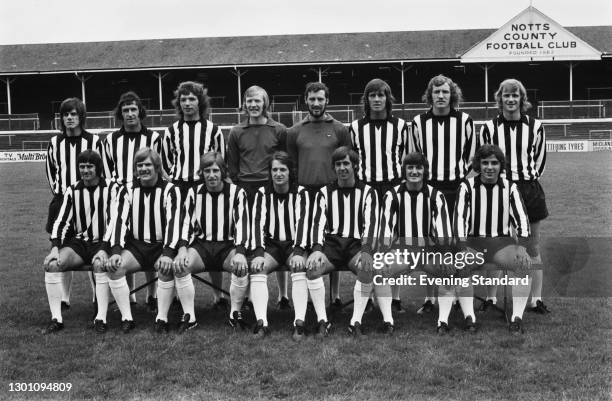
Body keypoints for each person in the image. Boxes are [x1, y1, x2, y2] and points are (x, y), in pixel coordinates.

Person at [291, 146, 388, 337]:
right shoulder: (324, 192)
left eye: (346, 163)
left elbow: (372, 224)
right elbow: (317, 223)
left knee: (368, 268)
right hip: (332, 245)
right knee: (312, 268)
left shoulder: (369, 192)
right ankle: (323, 320)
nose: (342, 168)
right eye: (338, 164)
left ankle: (355, 321)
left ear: (355, 166)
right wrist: (317, 249)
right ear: (333, 167)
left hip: (356, 245)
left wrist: (367, 251)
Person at [479, 79, 549, 315]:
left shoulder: (536, 126)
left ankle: (535, 299)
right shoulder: (489, 128)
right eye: (506, 95)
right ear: (500, 99)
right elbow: (486, 159)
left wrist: (524, 179)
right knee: (497, 243)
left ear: (522, 98)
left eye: (515, 95)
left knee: (531, 246)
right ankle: (490, 297)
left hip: (529, 189)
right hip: (499, 189)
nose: (511, 99)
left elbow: (539, 162)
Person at [378, 152, 467, 334]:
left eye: (418, 167)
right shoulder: (392, 195)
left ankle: (442, 321)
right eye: (410, 167)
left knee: (448, 271)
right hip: (402, 253)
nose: (414, 171)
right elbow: (385, 228)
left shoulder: (436, 195)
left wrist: (444, 256)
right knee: (380, 272)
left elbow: (443, 231)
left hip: (428, 252)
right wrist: (384, 255)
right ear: (404, 170)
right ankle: (388, 321)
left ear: (425, 170)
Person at [409, 75, 476, 315]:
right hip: (429, 189)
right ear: (430, 95)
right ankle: (430, 299)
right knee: (432, 244)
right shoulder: (418, 122)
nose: (440, 96)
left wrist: (458, 177)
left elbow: (470, 156)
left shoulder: (466, 121)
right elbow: (414, 157)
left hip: (455, 188)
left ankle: (457, 296)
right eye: (436, 92)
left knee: (456, 242)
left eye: (445, 92)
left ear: (452, 94)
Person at [161, 81, 228, 308]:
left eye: (192, 98)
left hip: (205, 188)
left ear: (200, 101)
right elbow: (167, 162)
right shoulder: (171, 131)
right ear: (179, 103)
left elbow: (220, 159)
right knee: (178, 234)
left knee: (210, 236)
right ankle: (177, 296)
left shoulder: (213, 130)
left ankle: (218, 296)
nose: (187, 103)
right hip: (180, 187)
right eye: (183, 99)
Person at [454, 144, 532, 334]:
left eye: (494, 163)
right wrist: (462, 247)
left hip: (501, 244)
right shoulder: (466, 186)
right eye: (485, 162)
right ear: (478, 165)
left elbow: (522, 218)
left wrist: (522, 248)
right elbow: (459, 218)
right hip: (473, 243)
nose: (490, 167)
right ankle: (469, 317)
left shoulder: (510, 187)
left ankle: (516, 318)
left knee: (523, 264)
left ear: (501, 165)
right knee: (460, 264)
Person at [287, 82, 352, 309]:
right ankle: (302, 298)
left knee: (329, 242)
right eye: (312, 99)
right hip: (304, 194)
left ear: (327, 101)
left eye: (320, 99)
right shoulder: (294, 131)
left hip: (332, 195)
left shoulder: (340, 129)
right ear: (306, 99)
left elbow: (347, 161)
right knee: (303, 244)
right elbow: (291, 165)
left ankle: (334, 296)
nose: (316, 103)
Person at [103, 148, 182, 334]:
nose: (143, 169)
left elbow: (174, 222)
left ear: (157, 167)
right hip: (136, 247)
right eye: (140, 165)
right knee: (115, 267)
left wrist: (168, 254)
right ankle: (127, 318)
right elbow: (119, 220)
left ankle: (161, 318)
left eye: (148, 165)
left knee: (166, 268)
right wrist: (115, 251)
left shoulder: (171, 190)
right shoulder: (128, 190)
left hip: (160, 246)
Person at [170, 152, 250, 333]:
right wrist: (182, 249)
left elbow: (242, 223)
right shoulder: (193, 192)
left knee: (241, 267)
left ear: (223, 171)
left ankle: (235, 313)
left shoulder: (237, 193)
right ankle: (189, 316)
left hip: (228, 245)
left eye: (215, 170)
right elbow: (185, 223)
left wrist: (240, 252)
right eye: (207, 171)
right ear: (202, 173)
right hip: (202, 246)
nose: (211, 175)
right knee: (180, 266)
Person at [349, 78, 410, 313]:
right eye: (372, 95)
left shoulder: (401, 127)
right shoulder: (355, 128)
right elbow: (353, 159)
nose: (376, 99)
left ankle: (393, 297)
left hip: (392, 187)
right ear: (366, 99)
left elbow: (405, 157)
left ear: (388, 98)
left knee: (392, 241)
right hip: (366, 188)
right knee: (368, 240)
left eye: (381, 95)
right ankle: (368, 297)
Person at [227, 86, 290, 309]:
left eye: (258, 101)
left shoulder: (280, 130)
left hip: (272, 190)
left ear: (265, 103)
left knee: (277, 237)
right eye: (249, 101)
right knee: (247, 239)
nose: (253, 105)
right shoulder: (236, 131)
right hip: (245, 189)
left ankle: (283, 295)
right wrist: (239, 188)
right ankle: (247, 296)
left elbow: (284, 161)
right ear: (244, 104)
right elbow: (232, 167)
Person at [42, 150, 118, 334]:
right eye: (82, 166)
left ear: (98, 168)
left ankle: (100, 318)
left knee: (100, 265)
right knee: (52, 265)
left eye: (89, 166)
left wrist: (106, 248)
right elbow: (61, 221)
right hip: (80, 243)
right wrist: (55, 248)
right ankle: (56, 318)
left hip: (103, 243)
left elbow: (117, 220)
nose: (85, 170)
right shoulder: (72, 189)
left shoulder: (112, 188)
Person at [103, 91, 163, 310]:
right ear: (121, 113)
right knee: (126, 245)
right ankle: (128, 297)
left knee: (149, 240)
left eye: (133, 110)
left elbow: (159, 165)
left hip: (147, 194)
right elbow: (107, 171)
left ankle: (152, 294)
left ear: (140, 112)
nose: (129, 114)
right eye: (125, 110)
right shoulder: (110, 140)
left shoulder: (154, 138)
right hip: (122, 197)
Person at [45, 97, 102, 312]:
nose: (70, 118)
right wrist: (62, 194)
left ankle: (98, 295)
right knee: (62, 248)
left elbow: (101, 167)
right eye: (66, 114)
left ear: (81, 117)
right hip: (62, 201)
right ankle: (64, 298)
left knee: (92, 244)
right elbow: (51, 172)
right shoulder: (54, 142)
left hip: (90, 198)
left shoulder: (94, 141)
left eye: (74, 114)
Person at [249, 151, 310, 339]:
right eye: (274, 169)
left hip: (294, 245)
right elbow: (257, 223)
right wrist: (259, 253)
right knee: (258, 268)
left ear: (290, 172)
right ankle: (262, 323)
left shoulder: (301, 193)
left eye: (282, 169)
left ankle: (299, 322)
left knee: (299, 267)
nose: (278, 173)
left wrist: (299, 251)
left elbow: (303, 222)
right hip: (272, 246)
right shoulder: (261, 193)